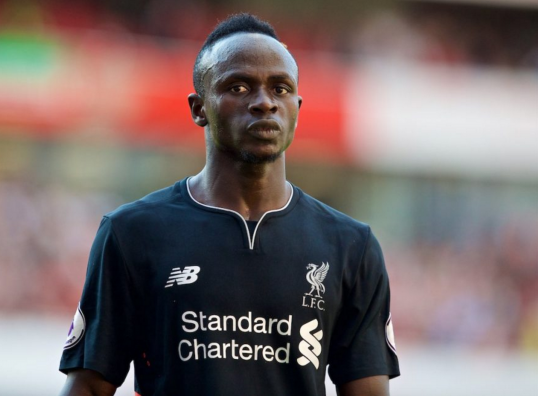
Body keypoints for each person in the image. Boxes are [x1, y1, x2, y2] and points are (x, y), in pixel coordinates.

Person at [59, 13, 400, 396]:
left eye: (281, 89)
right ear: (199, 108)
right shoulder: (132, 232)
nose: (264, 103)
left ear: (297, 108)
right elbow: (88, 386)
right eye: (238, 87)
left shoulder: (351, 247)